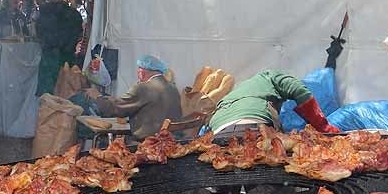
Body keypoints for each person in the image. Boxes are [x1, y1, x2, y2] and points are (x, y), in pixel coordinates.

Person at [208, 69, 340, 139]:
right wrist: (324, 127)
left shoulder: (237, 90)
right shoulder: (270, 76)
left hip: (219, 132)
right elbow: (299, 91)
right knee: (267, 184)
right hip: (253, 127)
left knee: (226, 178)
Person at [89, 55, 182, 139]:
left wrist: (98, 97)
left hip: (150, 143)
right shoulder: (173, 88)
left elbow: (116, 107)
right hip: (172, 141)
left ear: (141, 72)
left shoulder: (143, 88)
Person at [35, 0, 84, 96]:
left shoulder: (42, 13)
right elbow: (79, 36)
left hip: (49, 60)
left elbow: (38, 35)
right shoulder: (74, 14)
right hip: (67, 60)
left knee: (47, 99)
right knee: (67, 96)